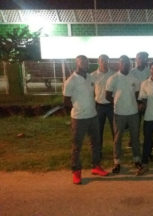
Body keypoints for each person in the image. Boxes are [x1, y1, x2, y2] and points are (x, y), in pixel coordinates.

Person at [63, 55, 109, 185]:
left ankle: (96, 166)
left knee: (96, 143)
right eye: (82, 61)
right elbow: (66, 101)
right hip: (79, 118)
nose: (85, 64)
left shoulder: (90, 77)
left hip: (93, 116)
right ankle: (76, 172)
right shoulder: (71, 80)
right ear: (76, 63)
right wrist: (76, 110)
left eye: (86, 61)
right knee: (77, 146)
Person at [105, 55, 143, 175]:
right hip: (119, 113)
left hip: (133, 113)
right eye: (123, 63)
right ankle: (117, 162)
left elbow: (137, 95)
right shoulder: (113, 78)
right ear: (119, 64)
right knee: (117, 139)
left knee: (135, 138)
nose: (126, 65)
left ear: (130, 64)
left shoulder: (134, 79)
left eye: (127, 63)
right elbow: (107, 95)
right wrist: (116, 103)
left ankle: (137, 159)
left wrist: (139, 105)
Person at [90, 54, 115, 159]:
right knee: (98, 130)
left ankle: (116, 151)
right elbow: (90, 91)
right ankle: (98, 151)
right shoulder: (93, 76)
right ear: (98, 61)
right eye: (102, 60)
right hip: (99, 106)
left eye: (106, 60)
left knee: (115, 130)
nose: (104, 62)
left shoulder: (113, 74)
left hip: (112, 106)